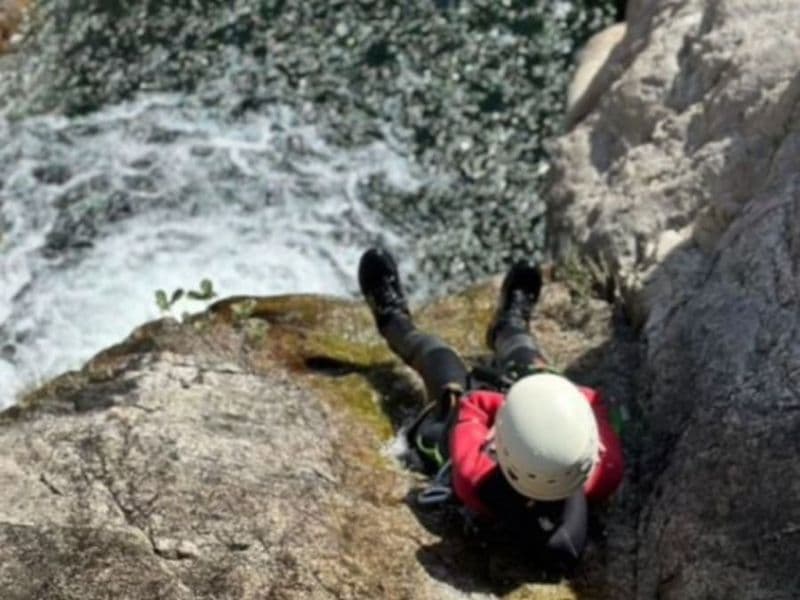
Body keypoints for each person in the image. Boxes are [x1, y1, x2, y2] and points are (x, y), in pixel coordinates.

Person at [357, 247, 624, 564]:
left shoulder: (475, 478)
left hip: (463, 430)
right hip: (520, 434)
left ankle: (393, 319)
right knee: (528, 360)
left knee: (441, 362)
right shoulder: (605, 472)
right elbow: (593, 400)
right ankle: (509, 326)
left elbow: (472, 404)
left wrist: (513, 401)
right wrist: (549, 393)